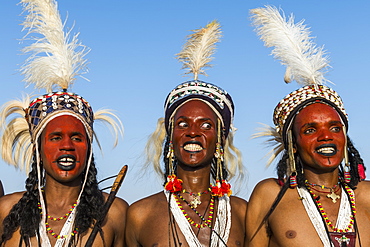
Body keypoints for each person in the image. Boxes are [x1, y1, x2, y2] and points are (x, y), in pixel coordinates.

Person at [0, 0, 127, 246]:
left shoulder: (115, 214)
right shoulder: (5, 210)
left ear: (89, 149)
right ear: (38, 148)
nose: (67, 146)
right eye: (56, 137)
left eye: (77, 138)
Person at [246, 6, 370, 247]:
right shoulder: (270, 195)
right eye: (310, 130)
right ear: (292, 143)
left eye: (335, 128)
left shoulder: (366, 194)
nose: (326, 136)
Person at [126, 21, 247, 246]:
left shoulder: (242, 213)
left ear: (220, 139)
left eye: (205, 125)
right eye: (183, 124)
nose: (193, 132)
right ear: (170, 137)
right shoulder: (140, 215)